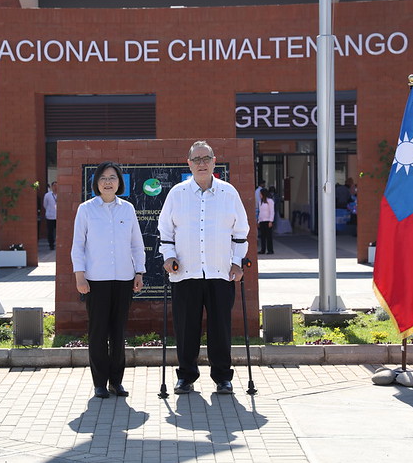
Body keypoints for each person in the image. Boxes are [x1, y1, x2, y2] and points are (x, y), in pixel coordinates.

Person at [158, 140, 250, 395]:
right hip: (184, 272)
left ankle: (222, 377)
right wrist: (168, 256)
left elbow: (241, 231)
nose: (201, 163)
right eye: (196, 159)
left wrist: (237, 262)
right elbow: (165, 230)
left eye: (206, 158)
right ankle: (186, 376)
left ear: (214, 161)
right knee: (186, 328)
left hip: (221, 271)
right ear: (188, 163)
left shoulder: (228, 192)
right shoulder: (177, 193)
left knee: (220, 327)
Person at [72, 162, 145, 399]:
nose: (108, 182)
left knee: (117, 332)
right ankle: (99, 383)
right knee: (98, 332)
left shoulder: (128, 209)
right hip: (96, 280)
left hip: (124, 278)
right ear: (96, 182)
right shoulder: (86, 209)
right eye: (103, 178)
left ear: (119, 182)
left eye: (112, 177)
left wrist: (139, 272)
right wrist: (79, 275)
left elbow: (136, 243)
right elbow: (78, 246)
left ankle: (117, 381)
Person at [258, 188, 274, 254]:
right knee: (262, 236)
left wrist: (271, 221)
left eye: (260, 194)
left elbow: (272, 211)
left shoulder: (270, 201)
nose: (260, 195)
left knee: (269, 236)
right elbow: (260, 212)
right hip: (262, 221)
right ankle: (263, 249)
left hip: (268, 221)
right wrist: (259, 220)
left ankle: (270, 250)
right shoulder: (260, 202)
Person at [43, 181, 57, 250]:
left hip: (58, 217)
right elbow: (45, 205)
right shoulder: (47, 195)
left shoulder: (60, 195)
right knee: (50, 232)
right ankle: (51, 245)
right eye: (54, 186)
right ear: (51, 187)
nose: (55, 187)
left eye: (57, 186)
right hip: (50, 216)